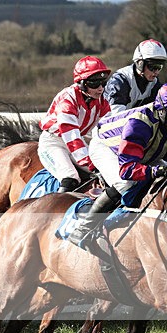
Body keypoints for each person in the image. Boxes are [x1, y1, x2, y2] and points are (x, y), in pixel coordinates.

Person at [68, 83, 167, 248]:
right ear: (161, 109)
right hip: (107, 147)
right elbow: (127, 169)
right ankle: (84, 228)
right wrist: (155, 170)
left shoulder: (162, 117)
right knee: (125, 183)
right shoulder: (139, 124)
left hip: (146, 150)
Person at [38, 56, 112, 193]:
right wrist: (92, 165)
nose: (101, 88)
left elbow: (107, 131)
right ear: (82, 83)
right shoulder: (67, 99)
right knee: (70, 178)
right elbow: (72, 138)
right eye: (95, 84)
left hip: (78, 140)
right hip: (54, 143)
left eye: (103, 83)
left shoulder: (103, 101)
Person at [105, 39, 166, 115]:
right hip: (106, 121)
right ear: (140, 64)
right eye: (152, 67)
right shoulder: (120, 80)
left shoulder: (154, 83)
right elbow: (116, 116)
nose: (156, 72)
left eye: (159, 67)